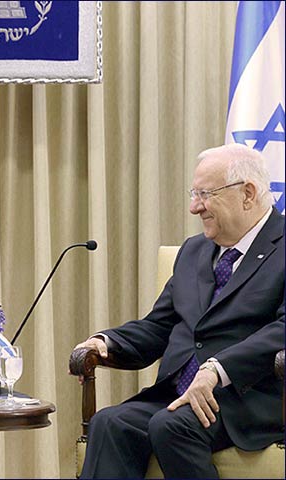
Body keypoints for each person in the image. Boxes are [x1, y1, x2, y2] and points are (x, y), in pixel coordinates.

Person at [74, 143, 284, 478]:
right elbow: (161, 326)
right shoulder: (194, 250)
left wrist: (218, 369)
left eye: (205, 194)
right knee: (111, 422)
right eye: (193, 193)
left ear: (247, 193)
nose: (193, 207)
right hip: (179, 395)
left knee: (171, 426)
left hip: (250, 399)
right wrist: (107, 342)